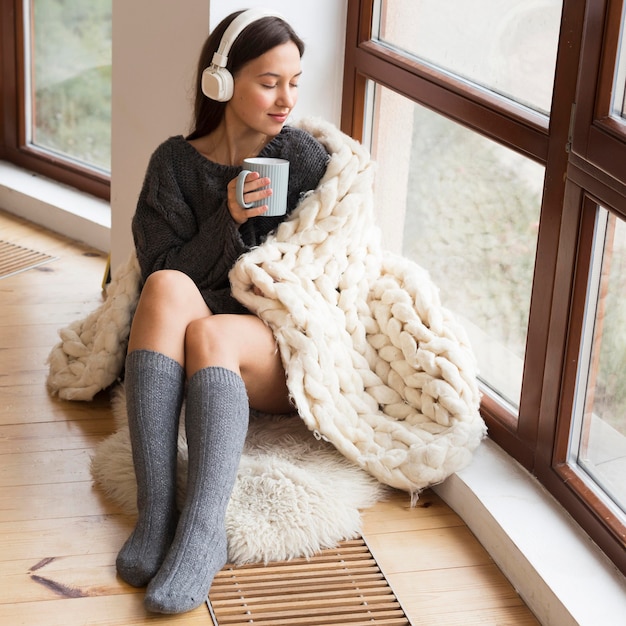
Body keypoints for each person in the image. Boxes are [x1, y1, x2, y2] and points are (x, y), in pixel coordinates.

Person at [115, 9, 329, 614]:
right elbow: (165, 265)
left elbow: (315, 273)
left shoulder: (305, 160)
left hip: (270, 345)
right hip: (198, 322)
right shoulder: (174, 166)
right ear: (222, 81)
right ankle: (158, 512)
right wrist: (228, 217)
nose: (286, 98)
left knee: (211, 332)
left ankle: (203, 531)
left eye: (294, 81)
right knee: (162, 287)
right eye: (269, 82)